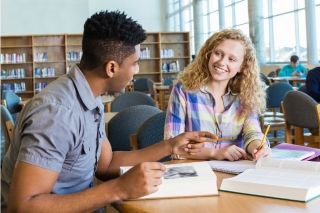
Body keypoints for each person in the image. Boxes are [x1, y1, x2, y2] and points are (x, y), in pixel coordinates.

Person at [1, 10, 215, 212]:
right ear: (111, 68)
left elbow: (107, 163)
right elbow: (24, 207)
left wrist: (170, 145)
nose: (137, 71)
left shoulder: (89, 97)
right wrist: (119, 188)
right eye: (135, 63)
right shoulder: (57, 113)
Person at [164, 29, 270, 162]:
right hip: (195, 171)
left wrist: (257, 147)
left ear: (242, 67)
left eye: (232, 59)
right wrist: (214, 153)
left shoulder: (245, 95)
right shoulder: (184, 90)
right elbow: (172, 144)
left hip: (234, 172)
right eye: (218, 53)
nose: (222, 62)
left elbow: (253, 132)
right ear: (208, 54)